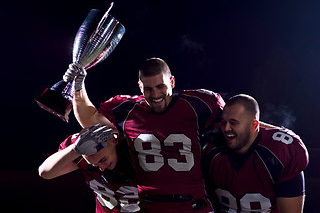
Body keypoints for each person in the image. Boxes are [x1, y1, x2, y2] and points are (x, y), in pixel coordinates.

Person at [63, 57, 226, 213]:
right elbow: (90, 120)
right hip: (149, 207)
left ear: (172, 82)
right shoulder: (128, 110)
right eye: (149, 89)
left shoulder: (199, 103)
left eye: (160, 86)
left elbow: (237, 122)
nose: (155, 95)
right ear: (140, 87)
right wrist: (78, 85)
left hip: (194, 206)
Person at [202, 94, 309, 213]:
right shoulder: (211, 149)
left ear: (254, 125)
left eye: (234, 122)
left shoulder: (278, 153)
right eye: (224, 122)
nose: (226, 128)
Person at [39, 124, 140, 213]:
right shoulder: (78, 150)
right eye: (94, 164)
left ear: (112, 141)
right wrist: (75, 149)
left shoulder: (137, 149)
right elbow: (45, 172)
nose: (102, 168)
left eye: (102, 160)